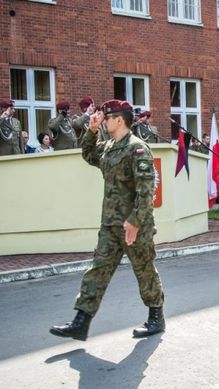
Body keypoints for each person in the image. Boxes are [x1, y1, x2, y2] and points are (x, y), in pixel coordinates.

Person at [49, 99, 165, 341]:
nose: (104, 120)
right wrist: (91, 130)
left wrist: (135, 220)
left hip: (134, 226)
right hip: (110, 224)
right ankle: (81, 322)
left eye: (107, 117)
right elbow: (89, 154)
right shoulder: (110, 146)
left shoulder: (138, 148)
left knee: (144, 271)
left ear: (119, 120)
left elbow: (147, 191)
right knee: (97, 271)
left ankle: (156, 317)